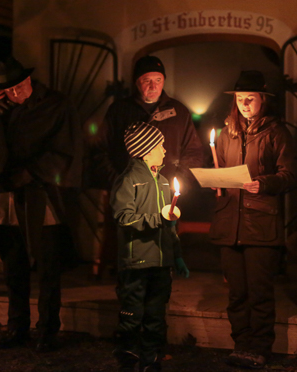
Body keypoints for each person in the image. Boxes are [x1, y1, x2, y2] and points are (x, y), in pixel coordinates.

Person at [0, 57, 83, 352]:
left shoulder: (56, 105)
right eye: (8, 90)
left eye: (19, 86)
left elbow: (66, 150)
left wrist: (30, 173)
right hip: (7, 197)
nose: (15, 93)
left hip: (42, 195)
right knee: (13, 266)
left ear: (28, 80)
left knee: (47, 266)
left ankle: (47, 330)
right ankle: (17, 326)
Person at [210, 70, 294, 369]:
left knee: (259, 292)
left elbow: (289, 174)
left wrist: (265, 183)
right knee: (237, 293)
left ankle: (259, 348)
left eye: (250, 99)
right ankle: (241, 345)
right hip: (229, 222)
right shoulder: (226, 134)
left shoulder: (276, 133)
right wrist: (214, 180)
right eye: (240, 99)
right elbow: (219, 169)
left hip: (260, 223)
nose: (244, 104)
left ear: (263, 100)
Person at [94, 55, 203, 276]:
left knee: (163, 244)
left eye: (158, 80)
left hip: (165, 193)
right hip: (130, 194)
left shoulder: (179, 112)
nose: (153, 86)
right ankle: (129, 282)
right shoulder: (120, 111)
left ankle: (161, 279)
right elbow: (99, 151)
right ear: (137, 82)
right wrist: (118, 182)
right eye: (146, 80)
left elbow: (193, 152)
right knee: (131, 246)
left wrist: (178, 183)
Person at [110, 121, 189, 372]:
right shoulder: (128, 181)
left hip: (161, 261)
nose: (164, 150)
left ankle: (151, 360)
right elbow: (123, 217)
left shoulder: (164, 182)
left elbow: (170, 227)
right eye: (160, 146)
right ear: (145, 151)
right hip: (136, 263)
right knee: (132, 315)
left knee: (156, 315)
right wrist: (157, 219)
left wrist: (176, 256)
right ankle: (128, 358)